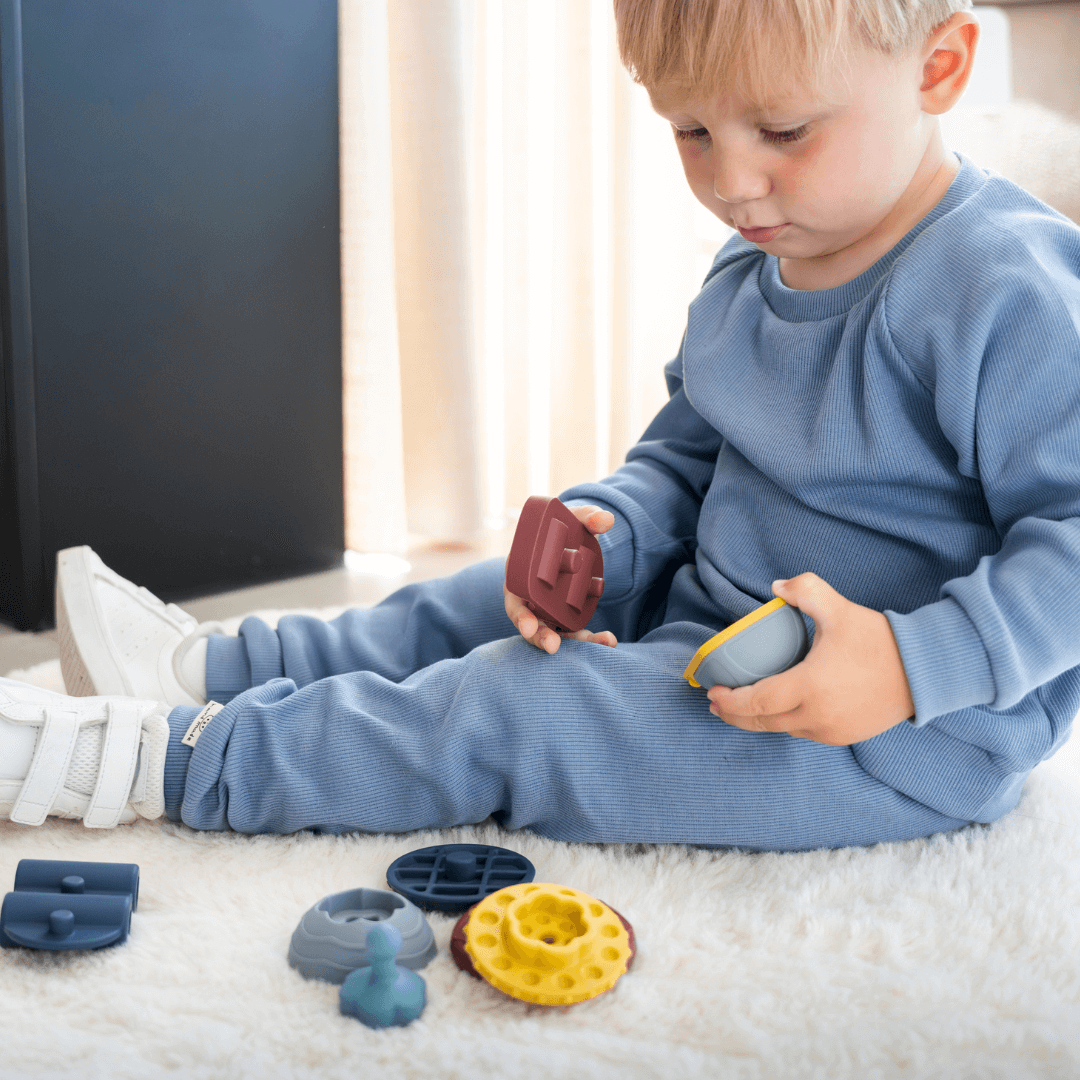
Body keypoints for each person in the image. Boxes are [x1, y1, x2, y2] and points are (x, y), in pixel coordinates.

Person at [3, 0, 1078, 849]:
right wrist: (618, 525)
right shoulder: (760, 257)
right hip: (713, 613)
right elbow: (692, 453)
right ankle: (210, 672)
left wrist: (907, 663)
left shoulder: (1005, 288)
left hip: (885, 730)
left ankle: (186, 760)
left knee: (521, 705)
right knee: (473, 602)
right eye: (691, 130)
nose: (731, 181)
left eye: (784, 130)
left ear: (939, 68)